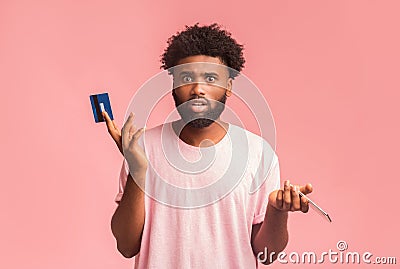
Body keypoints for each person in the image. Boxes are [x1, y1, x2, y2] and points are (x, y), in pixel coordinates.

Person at [103, 23, 313, 268]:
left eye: (211, 78)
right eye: (187, 77)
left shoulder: (259, 154)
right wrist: (138, 171)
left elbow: (266, 254)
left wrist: (277, 211)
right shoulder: (142, 148)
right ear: (174, 85)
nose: (198, 89)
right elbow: (127, 246)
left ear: (229, 87)